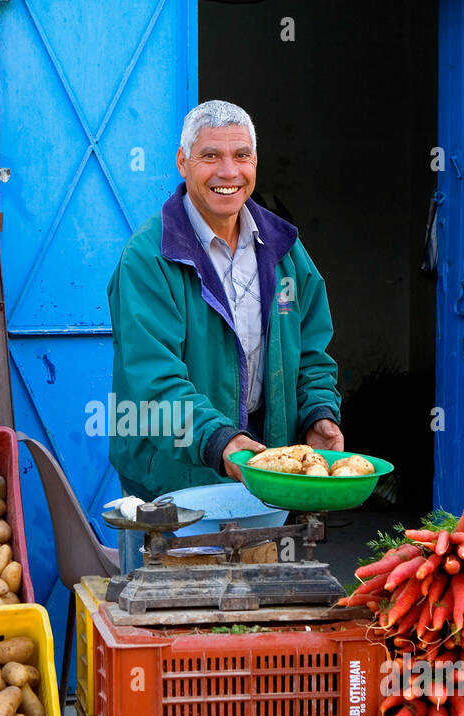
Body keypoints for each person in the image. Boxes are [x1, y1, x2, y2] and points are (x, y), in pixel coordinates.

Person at [106, 100, 343, 503]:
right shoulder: (149, 259)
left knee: (267, 567)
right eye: (210, 156)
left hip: (267, 476)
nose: (228, 172)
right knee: (190, 568)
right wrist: (219, 440)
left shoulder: (284, 250)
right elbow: (153, 383)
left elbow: (311, 352)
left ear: (255, 162)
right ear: (183, 162)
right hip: (175, 485)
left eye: (241, 156)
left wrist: (317, 412)